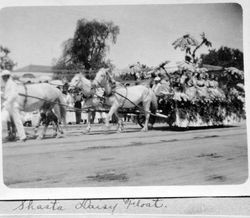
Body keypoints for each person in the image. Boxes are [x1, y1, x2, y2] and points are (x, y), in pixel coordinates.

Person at [1, 70, 27, 141]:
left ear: (6, 76)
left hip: (12, 105)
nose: (2, 78)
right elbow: (7, 95)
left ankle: (23, 137)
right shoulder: (8, 84)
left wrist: (5, 103)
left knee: (17, 121)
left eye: (3, 77)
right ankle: (23, 136)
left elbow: (13, 95)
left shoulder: (12, 84)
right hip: (9, 105)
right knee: (3, 120)